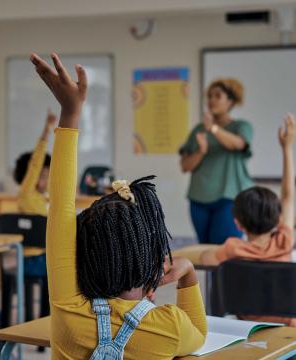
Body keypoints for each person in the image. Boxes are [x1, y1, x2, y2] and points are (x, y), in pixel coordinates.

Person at [30, 52, 207, 359]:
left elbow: (60, 206)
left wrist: (70, 112)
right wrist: (188, 273)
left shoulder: (67, 306)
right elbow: (200, 336)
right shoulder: (170, 326)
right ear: (151, 258)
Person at [201, 114, 296, 328]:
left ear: (238, 223)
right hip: (294, 339)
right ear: (277, 218)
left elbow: (205, 258)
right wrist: (287, 149)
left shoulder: (232, 249)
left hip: (251, 334)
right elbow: (288, 196)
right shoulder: (284, 240)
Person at [179, 78, 253, 244]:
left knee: (226, 250)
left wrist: (213, 128)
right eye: (209, 96)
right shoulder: (198, 130)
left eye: (217, 96)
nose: (211, 100)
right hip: (198, 199)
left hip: (230, 198)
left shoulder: (241, 126)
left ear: (230, 102)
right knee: (204, 252)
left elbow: (238, 144)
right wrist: (201, 152)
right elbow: (185, 166)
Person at [14, 110, 56, 216]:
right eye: (43, 176)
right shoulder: (26, 194)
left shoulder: (41, 198)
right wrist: (47, 130)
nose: (47, 181)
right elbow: (35, 165)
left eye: (48, 176)